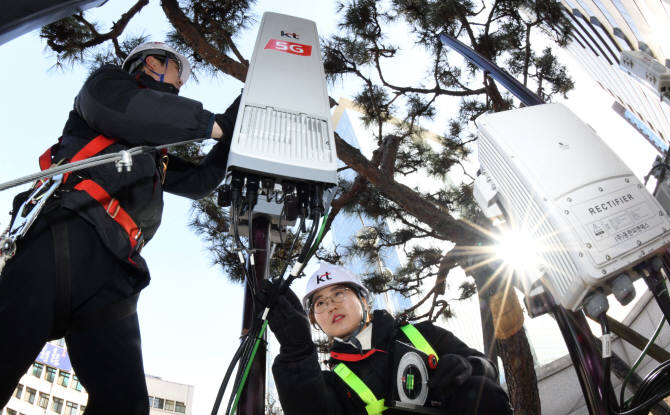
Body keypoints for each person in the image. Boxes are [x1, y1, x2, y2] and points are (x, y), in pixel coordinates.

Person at [0, 42, 239, 414]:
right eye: (178, 71)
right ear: (153, 62)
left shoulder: (150, 152)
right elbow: (137, 111)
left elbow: (201, 180)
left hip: (113, 271)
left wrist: (241, 112)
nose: (181, 83)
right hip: (63, 234)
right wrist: (213, 124)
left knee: (124, 403)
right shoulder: (104, 87)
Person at [265, 262, 514, 415]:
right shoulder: (333, 383)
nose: (330, 306)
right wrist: (296, 351)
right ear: (315, 321)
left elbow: (488, 368)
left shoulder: (423, 334)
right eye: (320, 303)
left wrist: (469, 366)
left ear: (363, 300)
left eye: (339, 293)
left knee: (481, 392)